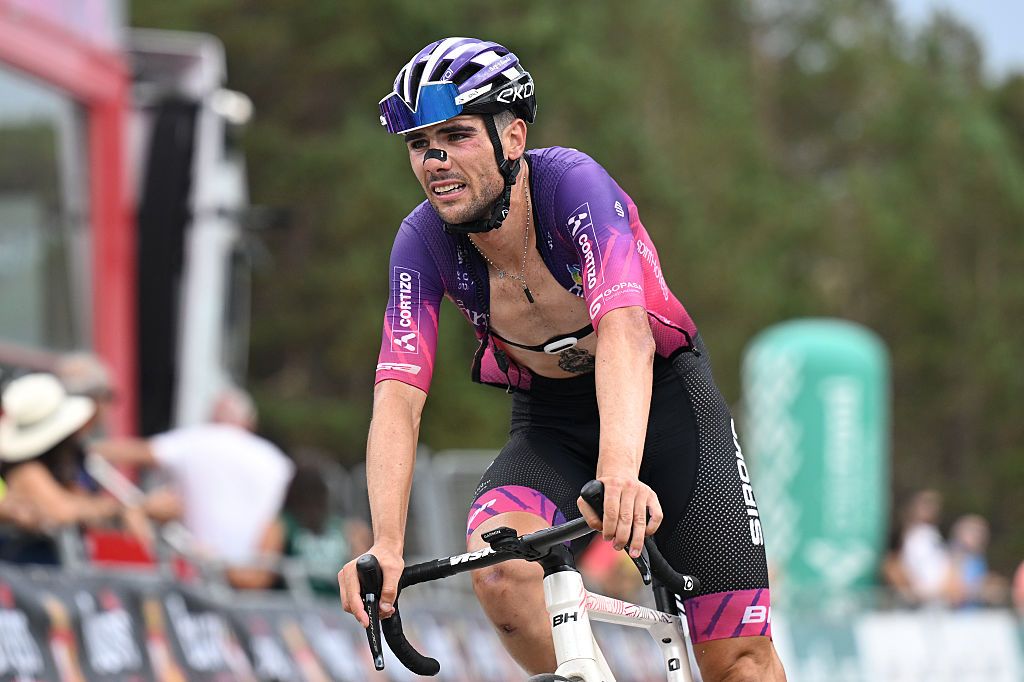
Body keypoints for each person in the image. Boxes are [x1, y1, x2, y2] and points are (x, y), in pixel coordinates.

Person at [338, 38, 786, 680]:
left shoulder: (571, 184)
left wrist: (619, 472)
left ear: (513, 137)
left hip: (663, 407)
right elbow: (398, 396)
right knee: (500, 572)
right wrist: (385, 543)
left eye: (457, 136)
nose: (435, 160)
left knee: (737, 663)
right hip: (550, 422)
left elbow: (625, 331)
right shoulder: (422, 240)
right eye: (418, 143)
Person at [92, 386, 294, 589]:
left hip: (196, 573)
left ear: (213, 417)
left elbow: (133, 452)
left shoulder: (196, 440)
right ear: (250, 422)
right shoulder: (276, 461)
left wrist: (85, 448)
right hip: (248, 579)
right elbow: (273, 526)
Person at [0, 373, 151, 563]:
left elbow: (78, 502)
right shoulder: (25, 470)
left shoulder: (61, 467)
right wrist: (123, 509)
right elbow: (62, 511)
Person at [898, 489, 954, 605]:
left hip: (939, 596)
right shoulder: (912, 535)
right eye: (925, 505)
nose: (930, 509)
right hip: (921, 598)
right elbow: (905, 565)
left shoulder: (932, 534)